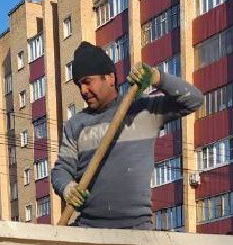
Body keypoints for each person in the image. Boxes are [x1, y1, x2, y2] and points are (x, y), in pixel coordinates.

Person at [51, 42, 203, 228]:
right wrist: (67, 188)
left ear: (110, 78)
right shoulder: (75, 125)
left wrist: (157, 77)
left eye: (87, 82)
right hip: (89, 228)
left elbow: (194, 100)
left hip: (136, 229)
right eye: (78, 85)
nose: (83, 91)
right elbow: (61, 170)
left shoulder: (143, 111)